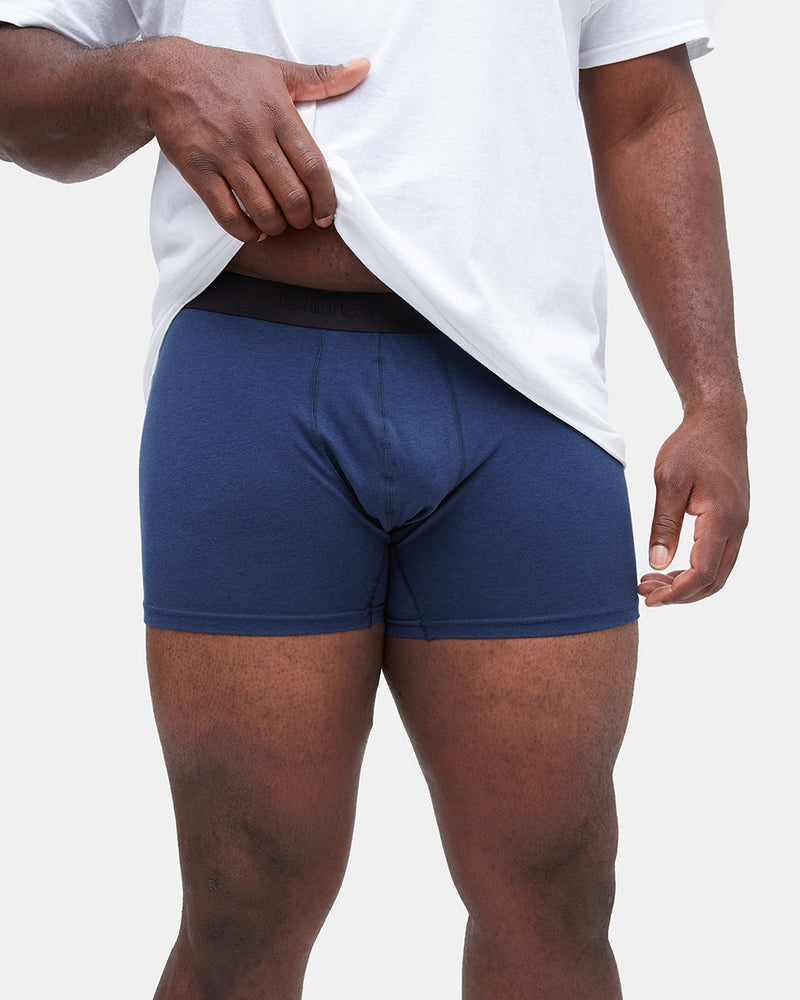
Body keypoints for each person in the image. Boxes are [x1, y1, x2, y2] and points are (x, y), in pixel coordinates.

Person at [0, 2, 749, 998]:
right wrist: (146, 76)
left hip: (526, 396)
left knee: (556, 888)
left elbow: (645, 109)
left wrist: (712, 395)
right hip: (250, 387)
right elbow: (15, 83)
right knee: (241, 896)